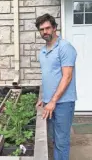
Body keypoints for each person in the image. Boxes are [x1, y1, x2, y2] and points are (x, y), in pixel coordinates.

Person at [35, 13, 77, 160]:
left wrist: (53, 101)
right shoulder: (42, 51)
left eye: (47, 28)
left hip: (63, 103)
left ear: (54, 28)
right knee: (53, 139)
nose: (45, 32)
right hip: (49, 103)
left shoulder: (65, 47)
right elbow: (47, 77)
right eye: (41, 29)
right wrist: (43, 98)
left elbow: (67, 76)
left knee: (61, 142)